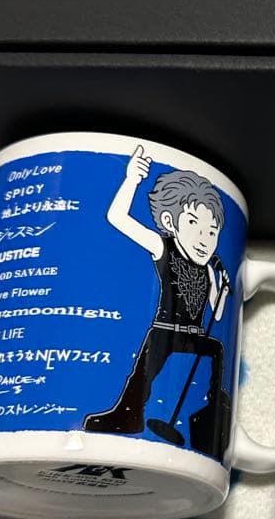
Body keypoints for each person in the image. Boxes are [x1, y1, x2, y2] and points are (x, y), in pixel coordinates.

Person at [83, 145, 232, 457]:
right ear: (170, 221)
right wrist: (132, 179)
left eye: (212, 232)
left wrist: (223, 291)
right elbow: (117, 217)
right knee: (145, 372)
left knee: (217, 349)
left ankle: (212, 415)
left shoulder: (208, 268)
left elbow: (216, 315)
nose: (203, 239)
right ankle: (127, 414)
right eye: (193, 224)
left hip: (194, 336)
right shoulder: (164, 247)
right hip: (165, 330)